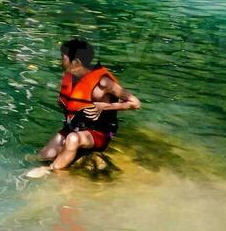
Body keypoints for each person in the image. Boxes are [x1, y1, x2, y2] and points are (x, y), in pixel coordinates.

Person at [27, 38, 142, 179]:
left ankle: (50, 169)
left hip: (99, 133)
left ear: (76, 63)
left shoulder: (103, 82)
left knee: (73, 139)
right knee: (41, 156)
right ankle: (46, 164)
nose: (60, 61)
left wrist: (107, 106)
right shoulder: (71, 76)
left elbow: (135, 103)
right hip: (73, 128)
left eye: (63, 58)